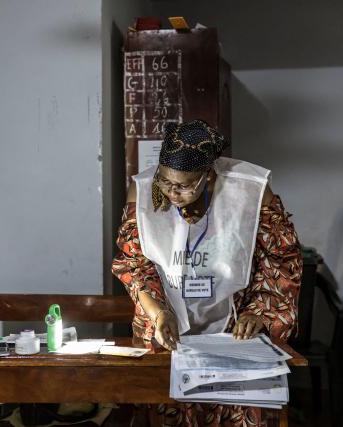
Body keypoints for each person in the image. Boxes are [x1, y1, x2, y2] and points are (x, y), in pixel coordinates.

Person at [111, 120, 302, 427]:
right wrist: (157, 312)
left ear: (208, 175)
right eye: (165, 181)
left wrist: (260, 312)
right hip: (167, 320)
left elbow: (281, 259)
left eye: (184, 185)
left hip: (235, 320)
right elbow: (134, 265)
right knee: (168, 407)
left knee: (234, 410)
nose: (172, 192)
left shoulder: (251, 189)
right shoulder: (145, 189)